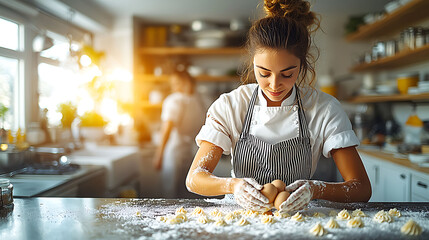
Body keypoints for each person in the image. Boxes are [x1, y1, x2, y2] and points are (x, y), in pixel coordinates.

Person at [186, 0, 371, 213]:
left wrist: (315, 189)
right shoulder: (231, 105)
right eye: (264, 73)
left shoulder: (324, 108)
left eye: (287, 74)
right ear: (252, 63)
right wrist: (234, 185)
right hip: (240, 219)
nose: (274, 85)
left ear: (302, 65)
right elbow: (194, 178)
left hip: (299, 220)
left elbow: (361, 188)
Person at [153, 67, 206, 199]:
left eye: (176, 83)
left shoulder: (174, 100)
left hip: (174, 152)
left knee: (170, 193)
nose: (174, 87)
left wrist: (159, 155)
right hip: (192, 153)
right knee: (187, 192)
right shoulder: (199, 100)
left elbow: (167, 128)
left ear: (186, 81)